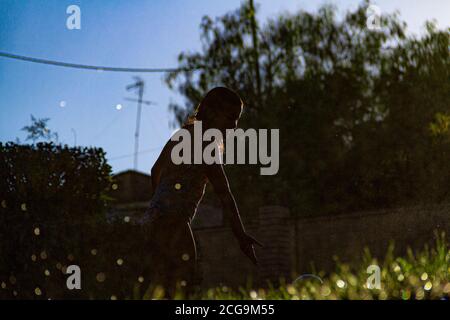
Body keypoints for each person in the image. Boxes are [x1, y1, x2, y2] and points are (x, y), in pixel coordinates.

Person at [140, 87, 262, 298]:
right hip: (175, 221)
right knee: (187, 284)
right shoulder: (206, 145)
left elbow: (154, 170)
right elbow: (225, 194)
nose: (235, 125)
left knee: (160, 285)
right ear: (213, 112)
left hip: (152, 220)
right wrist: (241, 236)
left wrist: (159, 203)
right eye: (231, 118)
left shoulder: (181, 135)